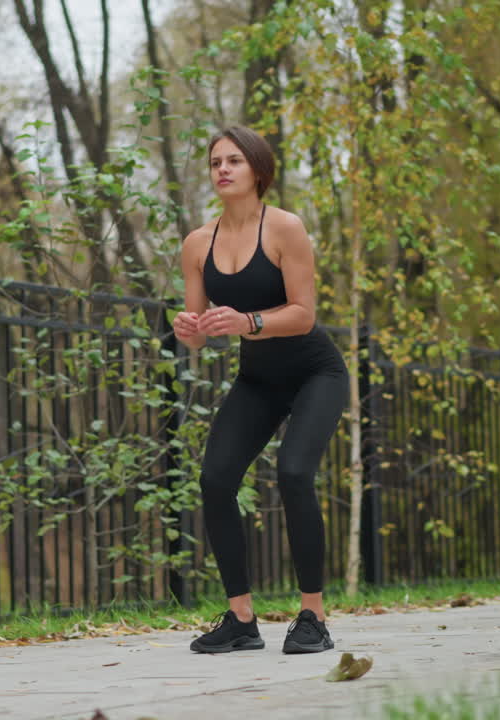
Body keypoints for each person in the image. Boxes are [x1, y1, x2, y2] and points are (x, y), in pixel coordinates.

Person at [173, 126, 349, 654]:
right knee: (215, 478)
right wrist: (192, 332)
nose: (222, 169)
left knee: (294, 472)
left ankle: (313, 617)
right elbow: (202, 333)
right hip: (259, 379)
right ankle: (241, 619)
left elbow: (303, 314)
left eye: (234, 160)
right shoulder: (197, 243)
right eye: (214, 162)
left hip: (316, 371)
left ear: (257, 169)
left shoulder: (285, 229)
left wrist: (247, 320)